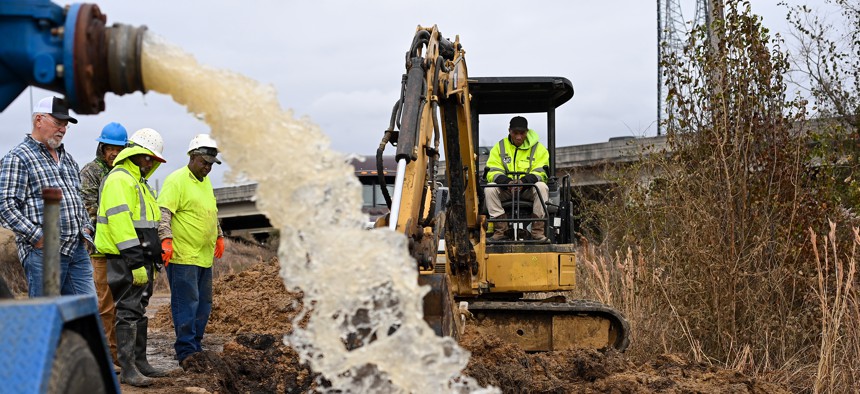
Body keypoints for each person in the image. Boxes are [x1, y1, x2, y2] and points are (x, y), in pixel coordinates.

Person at [0, 96, 96, 297]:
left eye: (65, 125)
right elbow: (5, 206)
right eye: (58, 123)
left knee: (86, 315)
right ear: (38, 120)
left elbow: (76, 198)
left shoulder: (67, 159)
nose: (62, 129)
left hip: (76, 251)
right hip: (45, 254)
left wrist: (85, 227)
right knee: (48, 316)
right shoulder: (19, 157)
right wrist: (39, 238)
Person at [95, 127, 169, 386]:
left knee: (138, 310)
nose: (150, 163)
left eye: (153, 160)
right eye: (147, 157)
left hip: (140, 257)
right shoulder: (120, 179)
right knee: (127, 311)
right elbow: (120, 223)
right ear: (135, 153)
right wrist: (136, 261)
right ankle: (127, 369)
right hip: (124, 258)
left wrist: (155, 256)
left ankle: (140, 363)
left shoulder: (139, 182)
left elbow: (149, 224)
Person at [157, 133, 225, 368]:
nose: (207, 168)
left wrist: (219, 236)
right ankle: (186, 351)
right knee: (187, 303)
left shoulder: (206, 184)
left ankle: (196, 345)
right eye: (204, 162)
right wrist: (165, 239)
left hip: (203, 257)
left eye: (211, 164)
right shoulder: (176, 180)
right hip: (183, 255)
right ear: (193, 157)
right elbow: (163, 212)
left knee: (203, 304)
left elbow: (211, 212)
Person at [80, 122, 128, 366]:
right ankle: (107, 358)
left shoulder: (126, 174)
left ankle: (121, 355)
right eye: (110, 148)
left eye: (119, 149)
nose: (114, 153)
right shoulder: (91, 172)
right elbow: (87, 207)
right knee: (105, 306)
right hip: (101, 250)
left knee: (124, 307)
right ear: (102, 147)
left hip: (124, 249)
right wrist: (114, 221)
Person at [484, 116, 550, 242]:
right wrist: (507, 183)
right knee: (490, 189)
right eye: (515, 133)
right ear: (509, 131)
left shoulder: (538, 149)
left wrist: (523, 183)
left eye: (522, 133)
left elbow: (541, 172)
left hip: (529, 189)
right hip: (506, 189)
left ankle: (537, 231)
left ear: (527, 132)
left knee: (542, 187)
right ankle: (501, 230)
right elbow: (492, 170)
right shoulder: (500, 147)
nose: (519, 137)